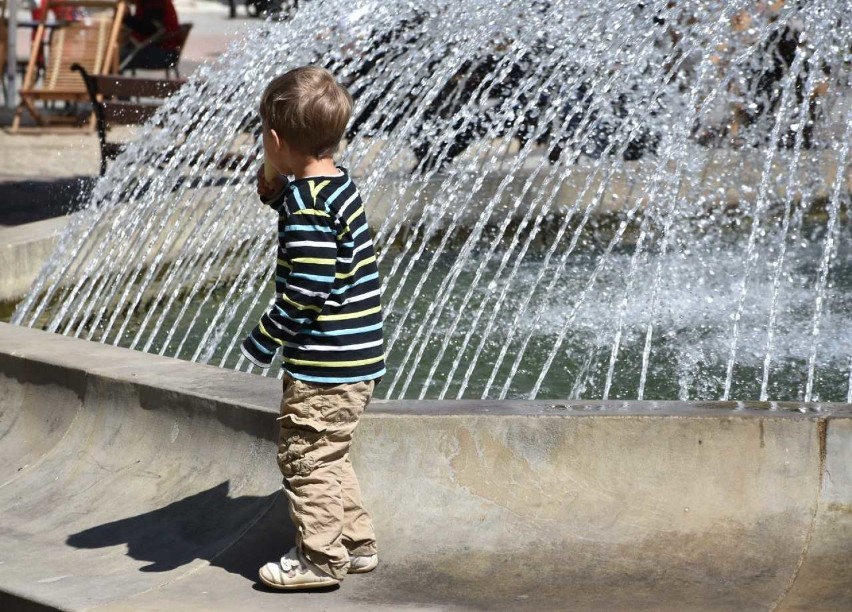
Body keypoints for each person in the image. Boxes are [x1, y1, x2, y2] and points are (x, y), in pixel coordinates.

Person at [240, 66, 386, 590]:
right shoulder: (336, 184)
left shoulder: (306, 206)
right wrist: (276, 189)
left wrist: (265, 337)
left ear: (275, 140)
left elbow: (308, 286)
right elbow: (311, 219)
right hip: (357, 358)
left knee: (304, 456)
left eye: (264, 136)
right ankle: (356, 543)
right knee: (330, 453)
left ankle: (320, 559)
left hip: (324, 365)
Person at [120, 0, 180, 71]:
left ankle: (111, 80)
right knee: (116, 54)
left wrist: (126, 17)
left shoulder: (153, 3)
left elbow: (150, 29)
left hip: (164, 54)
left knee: (114, 57)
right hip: (165, 51)